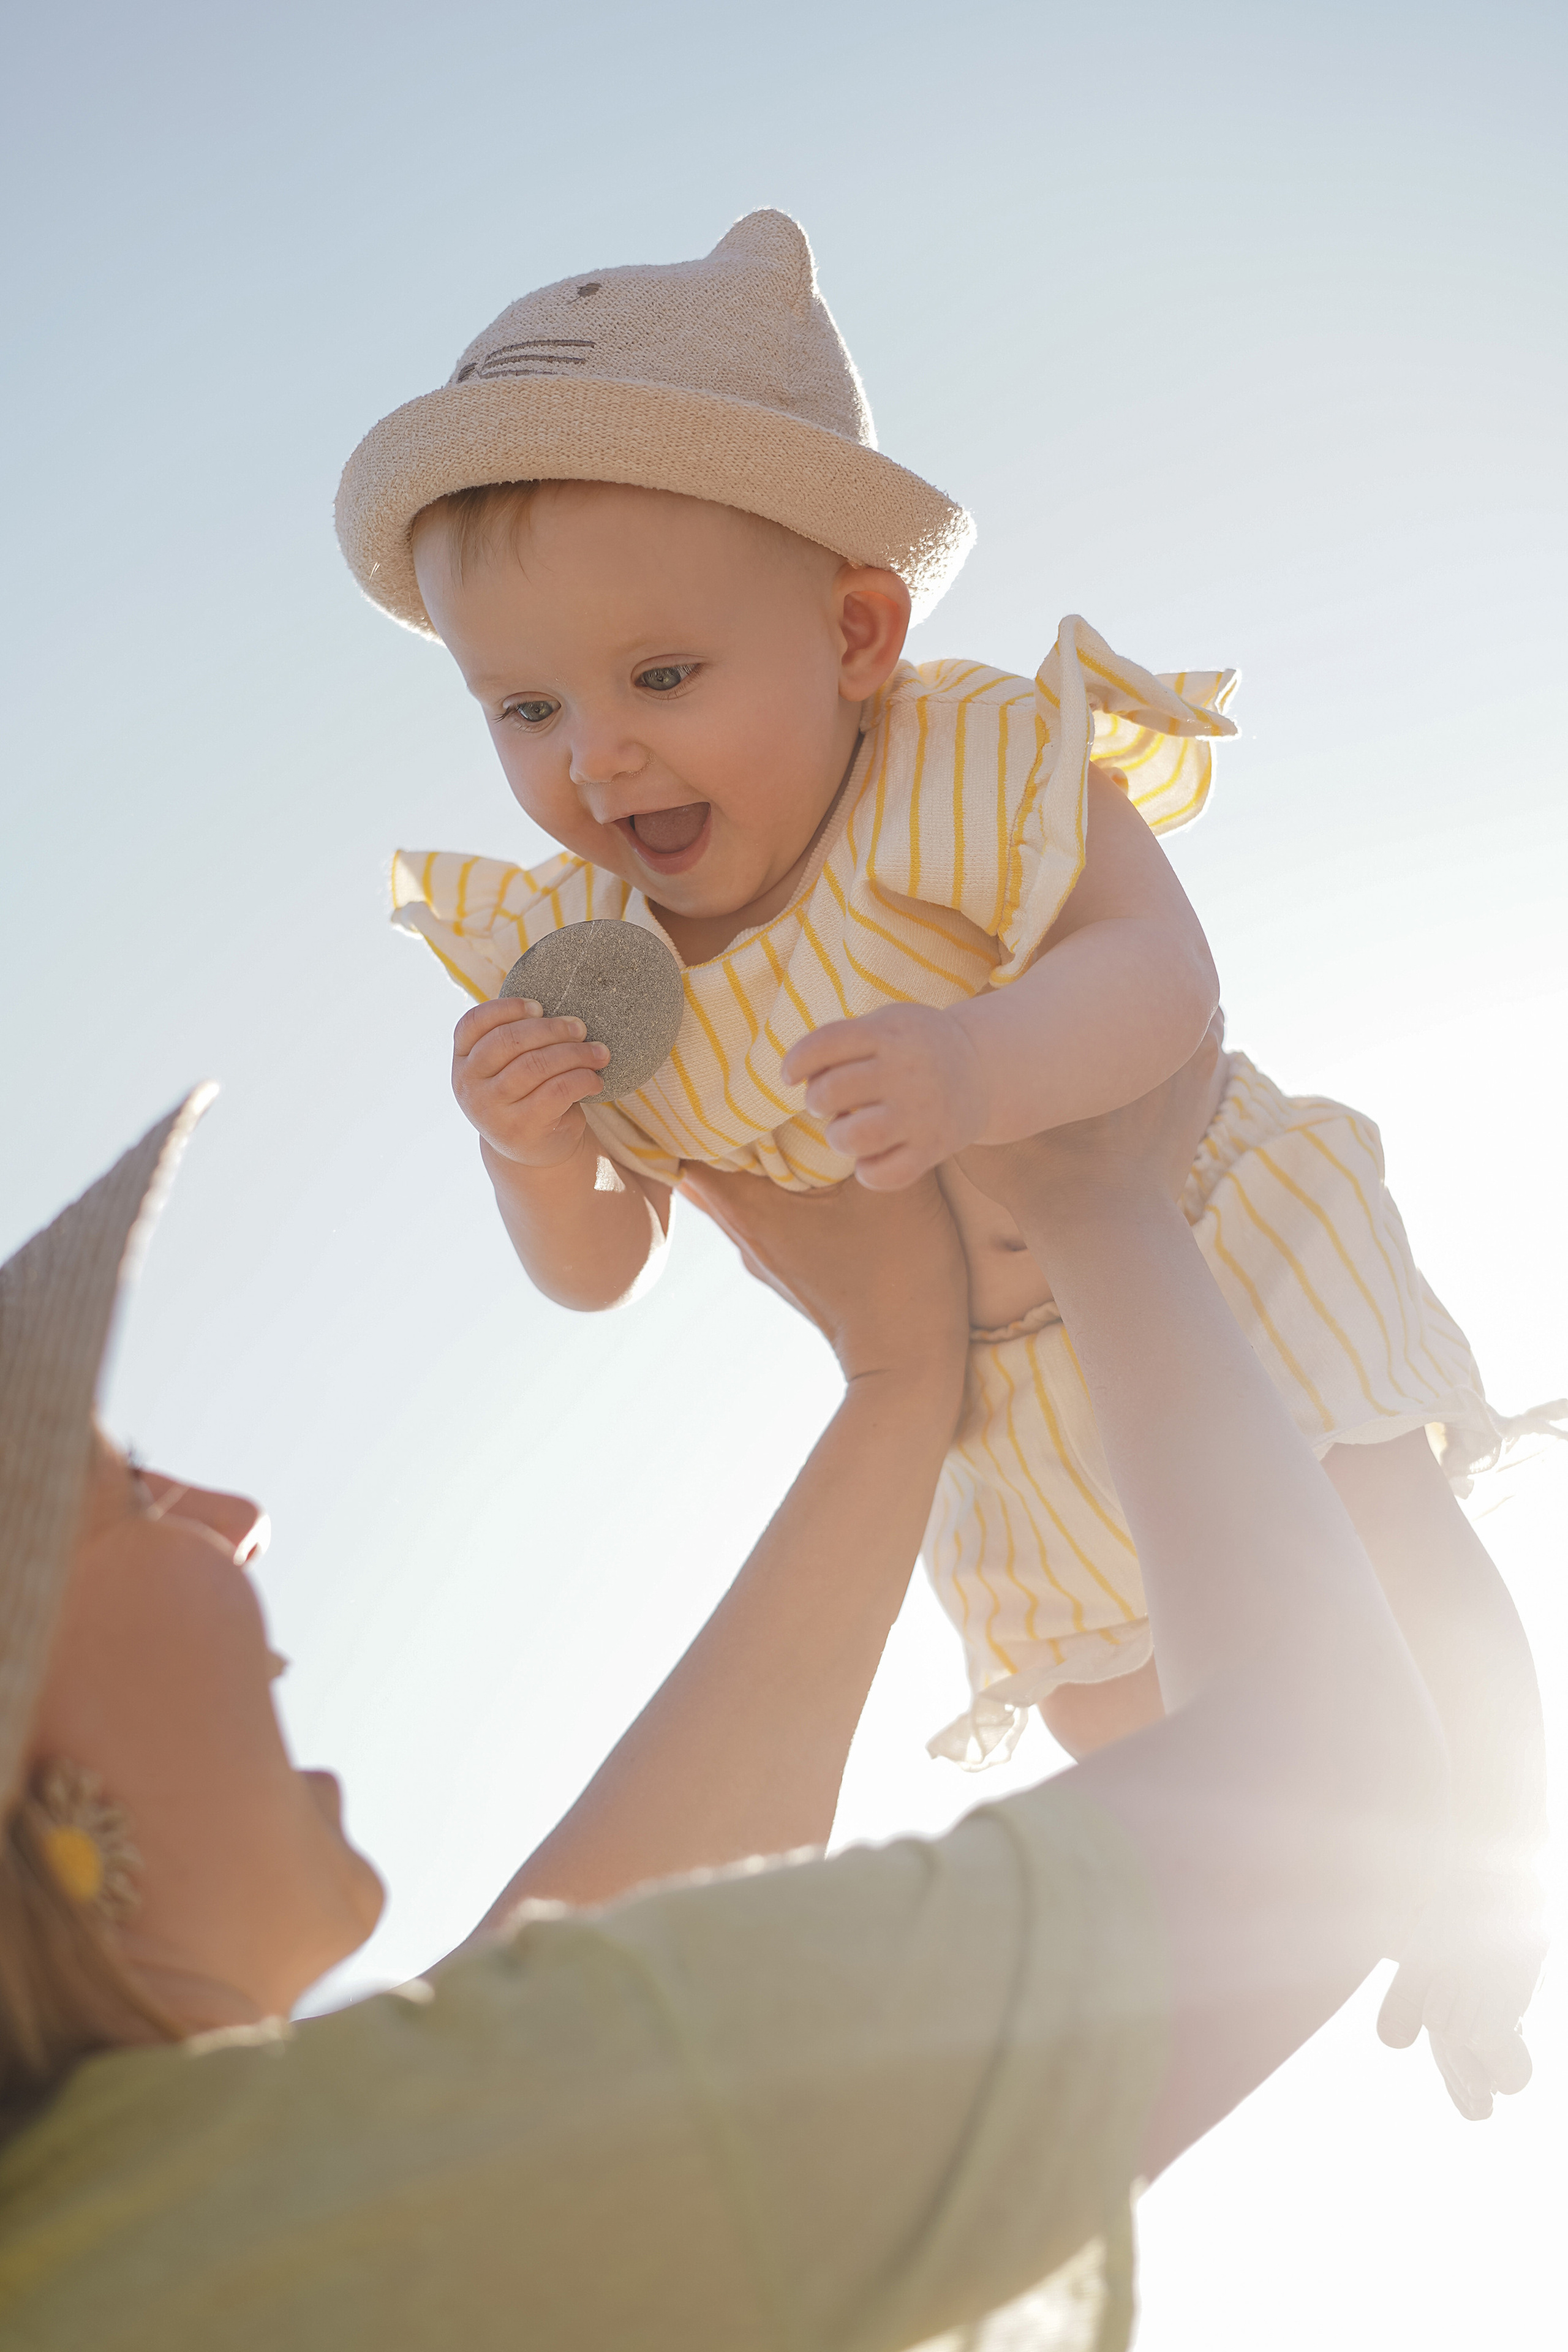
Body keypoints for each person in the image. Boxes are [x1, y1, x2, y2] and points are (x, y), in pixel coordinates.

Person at [335, 211, 1551, 2060]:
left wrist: (983, 1069)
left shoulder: (958, 774)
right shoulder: (605, 972)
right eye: (527, 707)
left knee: (1371, 1524)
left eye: (662, 678)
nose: (598, 757)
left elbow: (1160, 973)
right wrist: (536, 1162)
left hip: (1199, 1232)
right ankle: (1239, 1982)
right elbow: (610, 1263)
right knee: (1117, 1716)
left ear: (853, 634)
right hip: (992, 1396)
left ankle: (1485, 1867)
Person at [0, 1044, 1516, 2349]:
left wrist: (900, 1380)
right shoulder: (325, 2216)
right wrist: (1093, 1202)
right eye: (130, 1493)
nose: (236, 1515)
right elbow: (1329, 1802)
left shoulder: (137, 2257)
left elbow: (517, 2016)